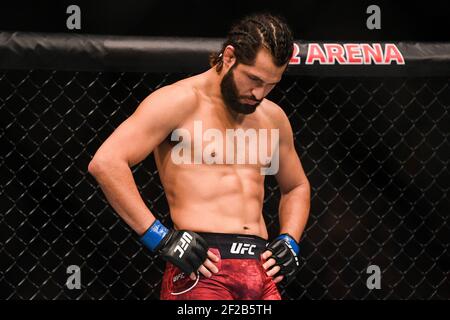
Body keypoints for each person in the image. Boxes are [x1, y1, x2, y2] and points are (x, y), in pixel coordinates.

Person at [88, 13, 310, 300]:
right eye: (253, 79)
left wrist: (289, 239)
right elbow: (106, 163)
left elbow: (296, 187)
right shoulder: (178, 102)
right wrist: (161, 237)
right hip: (202, 269)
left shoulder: (272, 117)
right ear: (229, 57)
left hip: (261, 271)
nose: (259, 93)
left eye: (271, 84)